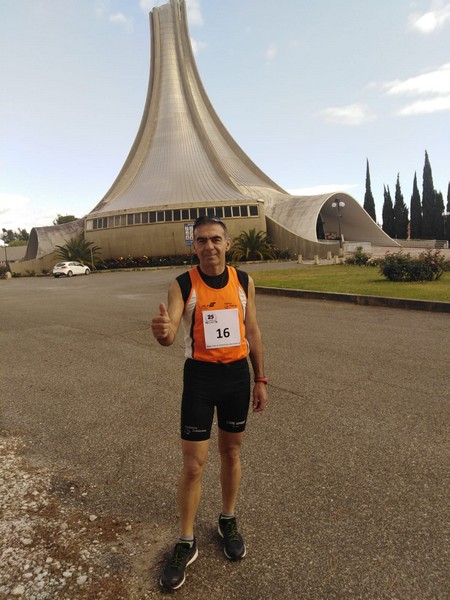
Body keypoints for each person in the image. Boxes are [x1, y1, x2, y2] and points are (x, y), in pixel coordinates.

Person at [151, 215, 268, 590]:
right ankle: (186, 540)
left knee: (232, 453)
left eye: (215, 239)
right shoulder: (183, 283)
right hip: (200, 380)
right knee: (193, 464)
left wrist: (261, 378)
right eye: (201, 241)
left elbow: (252, 331)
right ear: (194, 246)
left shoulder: (244, 281)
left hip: (236, 377)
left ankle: (227, 520)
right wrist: (165, 332)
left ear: (227, 243)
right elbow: (170, 333)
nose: (209, 246)